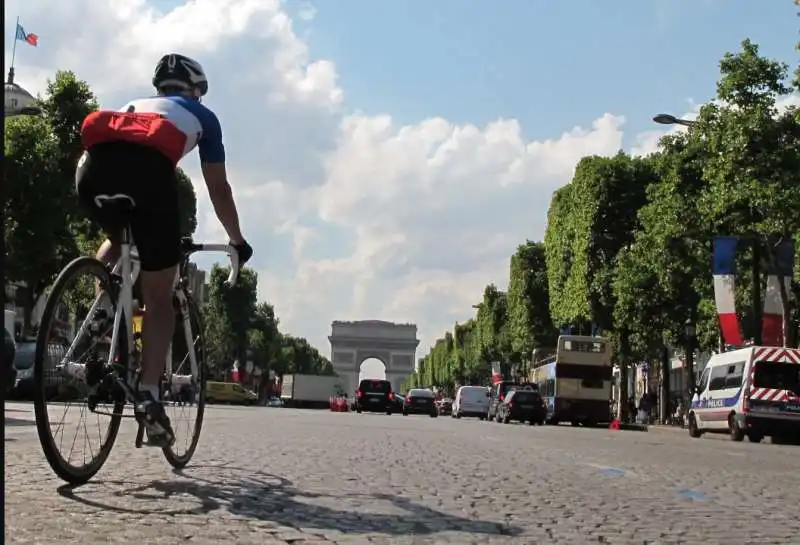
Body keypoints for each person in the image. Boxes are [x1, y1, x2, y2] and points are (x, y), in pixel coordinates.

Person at [75, 53, 252, 447]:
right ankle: (151, 397)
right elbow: (218, 189)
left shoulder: (132, 106)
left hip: (90, 171)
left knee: (121, 236)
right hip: (148, 176)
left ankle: (102, 305)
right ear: (194, 89)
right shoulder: (202, 117)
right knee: (159, 298)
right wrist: (236, 239)